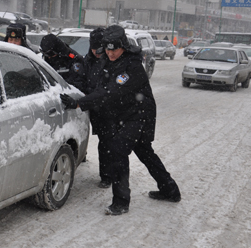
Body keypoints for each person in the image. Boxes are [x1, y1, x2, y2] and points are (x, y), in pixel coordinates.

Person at [60, 25, 181, 216]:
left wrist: (79, 103)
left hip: (139, 115)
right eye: (107, 49)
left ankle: (121, 202)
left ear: (123, 46)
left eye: (114, 49)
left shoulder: (131, 66)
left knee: (117, 152)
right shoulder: (107, 61)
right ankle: (170, 190)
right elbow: (97, 85)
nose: (111, 53)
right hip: (125, 115)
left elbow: (110, 92)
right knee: (145, 153)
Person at [82, 28, 111, 188]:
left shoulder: (110, 61)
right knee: (102, 141)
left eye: (98, 48)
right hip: (93, 108)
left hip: (108, 109)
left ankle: (108, 176)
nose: (95, 52)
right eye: (93, 48)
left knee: (107, 144)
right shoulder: (88, 60)